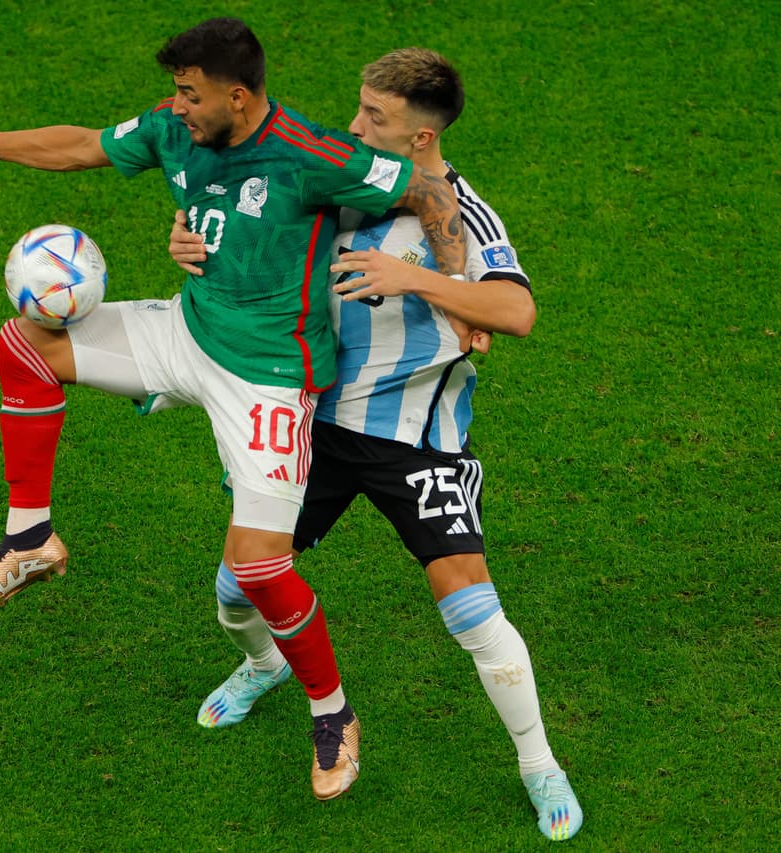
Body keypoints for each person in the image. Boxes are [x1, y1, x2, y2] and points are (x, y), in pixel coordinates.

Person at [0, 18, 466, 801]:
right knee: (26, 343)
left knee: (259, 568)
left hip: (269, 378)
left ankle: (333, 713)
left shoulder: (311, 154)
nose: (177, 107)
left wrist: (455, 294)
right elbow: (82, 145)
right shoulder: (175, 128)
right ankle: (30, 539)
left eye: (191, 95)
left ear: (238, 96)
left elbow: (429, 190)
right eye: (176, 92)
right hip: (185, 333)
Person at [168, 48, 583, 841]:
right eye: (358, 107)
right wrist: (192, 245)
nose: (354, 126)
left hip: (415, 443)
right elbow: (248, 244)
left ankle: (539, 765)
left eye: (375, 117)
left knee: (473, 611)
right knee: (238, 584)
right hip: (313, 428)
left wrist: (413, 277)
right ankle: (264, 664)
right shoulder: (338, 182)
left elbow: (515, 312)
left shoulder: (465, 214)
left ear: (421, 137)